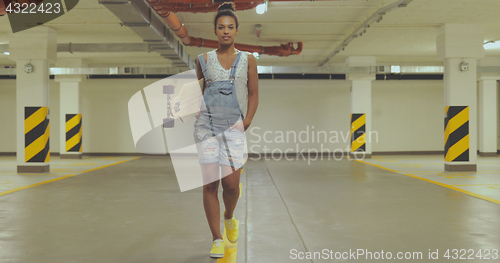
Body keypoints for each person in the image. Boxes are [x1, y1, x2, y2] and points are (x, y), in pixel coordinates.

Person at [194, 1, 259, 259]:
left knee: (231, 186)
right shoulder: (203, 59)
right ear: (215, 31)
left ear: (236, 30)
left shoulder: (248, 60)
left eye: (230, 27)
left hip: (234, 128)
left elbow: (253, 94)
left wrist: (248, 120)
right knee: (210, 184)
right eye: (221, 27)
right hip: (206, 128)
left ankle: (229, 216)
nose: (225, 31)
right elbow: (197, 91)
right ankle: (216, 238)